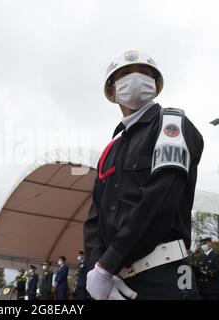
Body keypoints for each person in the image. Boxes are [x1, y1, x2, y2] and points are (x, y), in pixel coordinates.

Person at [83, 50, 204, 300]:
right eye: (125, 74)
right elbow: (94, 218)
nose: (135, 78)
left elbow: (161, 198)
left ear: (155, 84)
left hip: (164, 275)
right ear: (112, 90)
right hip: (114, 283)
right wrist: (98, 270)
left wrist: (107, 265)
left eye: (144, 73)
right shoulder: (110, 150)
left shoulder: (171, 124)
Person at [193, 235, 219, 300]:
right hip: (203, 288)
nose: (202, 246)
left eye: (204, 243)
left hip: (213, 289)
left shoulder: (216, 256)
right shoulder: (200, 257)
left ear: (209, 243)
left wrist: (206, 273)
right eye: (201, 244)